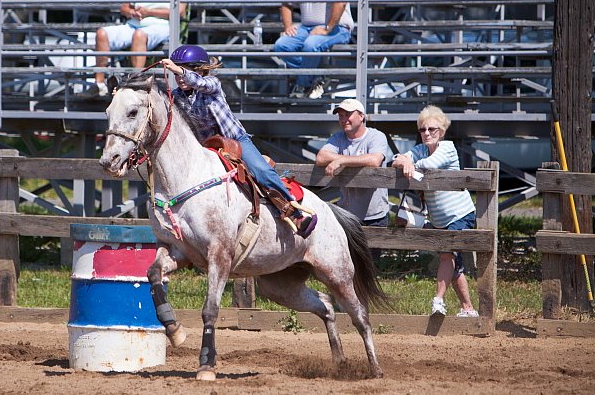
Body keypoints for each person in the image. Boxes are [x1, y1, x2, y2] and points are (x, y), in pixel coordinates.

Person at [160, 45, 317, 238]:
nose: (180, 78)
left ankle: (294, 213)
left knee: (262, 171)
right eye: (177, 73)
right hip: (206, 149)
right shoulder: (176, 97)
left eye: (186, 70)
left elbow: (202, 84)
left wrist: (178, 69)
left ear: (201, 70)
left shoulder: (212, 84)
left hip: (235, 141)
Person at [391, 105, 479, 318]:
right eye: (423, 130)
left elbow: (430, 165)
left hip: (460, 214)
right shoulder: (420, 149)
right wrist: (403, 159)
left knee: (446, 256)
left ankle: (438, 301)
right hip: (439, 219)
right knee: (452, 261)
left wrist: (409, 162)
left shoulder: (447, 148)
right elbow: (395, 159)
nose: (427, 133)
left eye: (432, 129)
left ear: (442, 131)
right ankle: (468, 309)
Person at [81, 0, 187, 98]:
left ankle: (136, 84)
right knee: (102, 33)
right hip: (134, 23)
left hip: (161, 25)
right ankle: (99, 84)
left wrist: (149, 12)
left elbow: (180, 10)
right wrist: (132, 12)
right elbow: (124, 6)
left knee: (139, 35)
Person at [273, 0, 354, 100]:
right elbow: (286, 4)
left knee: (311, 44)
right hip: (307, 27)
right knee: (281, 45)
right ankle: (316, 75)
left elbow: (341, 1)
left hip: (338, 28)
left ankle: (303, 85)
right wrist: (288, 26)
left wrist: (327, 28)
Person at [315, 98, 392, 258]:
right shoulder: (338, 138)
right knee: (346, 262)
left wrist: (341, 160)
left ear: (361, 116)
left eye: (348, 114)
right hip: (347, 214)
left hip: (374, 214)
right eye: (341, 116)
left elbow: (374, 160)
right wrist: (342, 160)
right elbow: (321, 157)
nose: (344, 120)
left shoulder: (376, 136)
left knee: (369, 264)